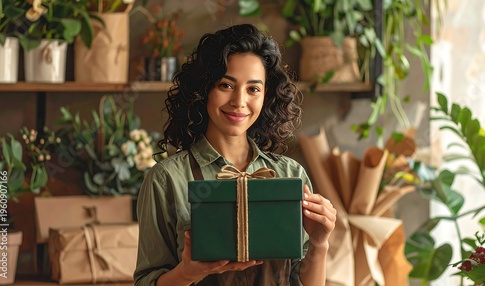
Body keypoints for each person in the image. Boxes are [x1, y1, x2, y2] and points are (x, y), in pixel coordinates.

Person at [134, 23, 337, 286]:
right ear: (203, 89)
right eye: (226, 85)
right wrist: (188, 273)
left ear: (266, 96)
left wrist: (320, 244)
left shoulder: (290, 174)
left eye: (253, 89)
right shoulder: (166, 179)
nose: (239, 101)